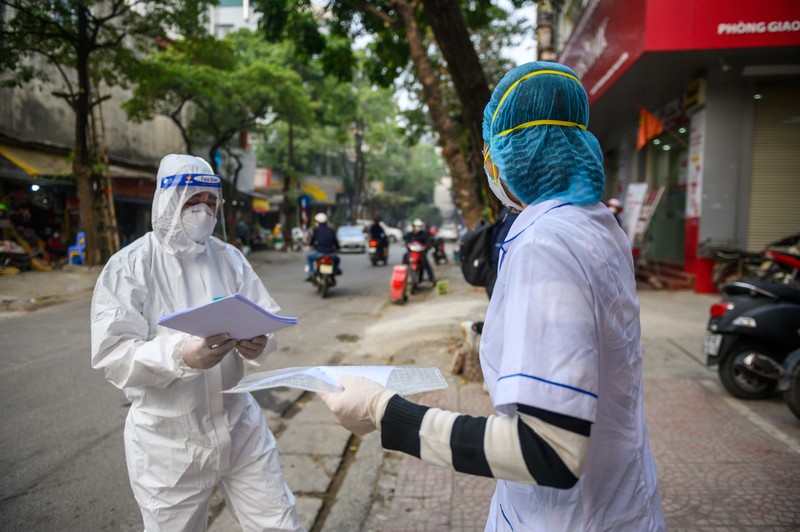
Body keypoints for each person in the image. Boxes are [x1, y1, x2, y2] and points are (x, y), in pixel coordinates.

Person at [318, 61, 665, 531]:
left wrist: (383, 412)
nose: (488, 162)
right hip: (620, 501)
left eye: (490, 147)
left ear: (512, 152)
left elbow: (549, 452)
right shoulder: (598, 225)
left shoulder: (546, 245)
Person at [90, 154, 302, 531]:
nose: (204, 210)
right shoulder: (129, 267)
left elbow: (266, 318)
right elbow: (111, 355)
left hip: (240, 430)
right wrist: (180, 354)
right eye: (193, 200)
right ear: (168, 201)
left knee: (279, 524)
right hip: (168, 446)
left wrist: (260, 342)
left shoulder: (230, 259)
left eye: (211, 201)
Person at [305, 212, 340, 280]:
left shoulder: (316, 230)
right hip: (331, 253)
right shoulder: (331, 230)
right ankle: (335, 271)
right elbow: (335, 241)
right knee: (337, 259)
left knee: (309, 258)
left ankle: (311, 273)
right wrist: (338, 247)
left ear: (317, 222)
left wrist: (311, 244)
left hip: (320, 253)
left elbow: (312, 240)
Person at [403, 218, 436, 283]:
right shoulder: (410, 234)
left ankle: (432, 278)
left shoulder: (424, 234)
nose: (417, 228)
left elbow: (428, 242)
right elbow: (406, 241)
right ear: (413, 226)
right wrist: (407, 245)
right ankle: (403, 275)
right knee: (404, 257)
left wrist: (427, 247)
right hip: (412, 253)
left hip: (421, 253)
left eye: (419, 226)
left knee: (426, 263)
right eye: (416, 226)